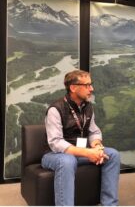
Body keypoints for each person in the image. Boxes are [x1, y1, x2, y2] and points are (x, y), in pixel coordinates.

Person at [41, 70, 120, 206]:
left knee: (112, 155)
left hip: (81, 152)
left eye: (91, 84)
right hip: (55, 155)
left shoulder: (88, 107)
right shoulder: (56, 109)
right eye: (87, 85)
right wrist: (88, 153)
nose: (91, 89)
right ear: (73, 87)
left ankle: (110, 204)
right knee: (67, 161)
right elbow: (56, 143)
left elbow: (93, 131)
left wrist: (96, 146)